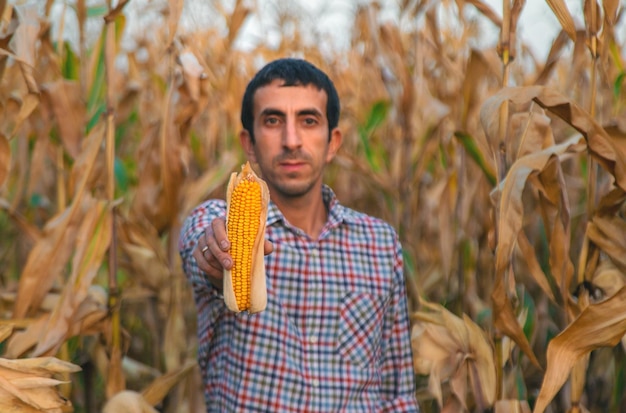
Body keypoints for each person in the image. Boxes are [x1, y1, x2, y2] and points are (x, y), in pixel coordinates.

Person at [179, 57, 420, 412]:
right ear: (249, 143)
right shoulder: (221, 220)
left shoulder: (381, 244)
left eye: (308, 121)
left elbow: (398, 391)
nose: (291, 141)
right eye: (273, 121)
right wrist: (217, 259)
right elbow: (198, 240)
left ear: (333, 141)